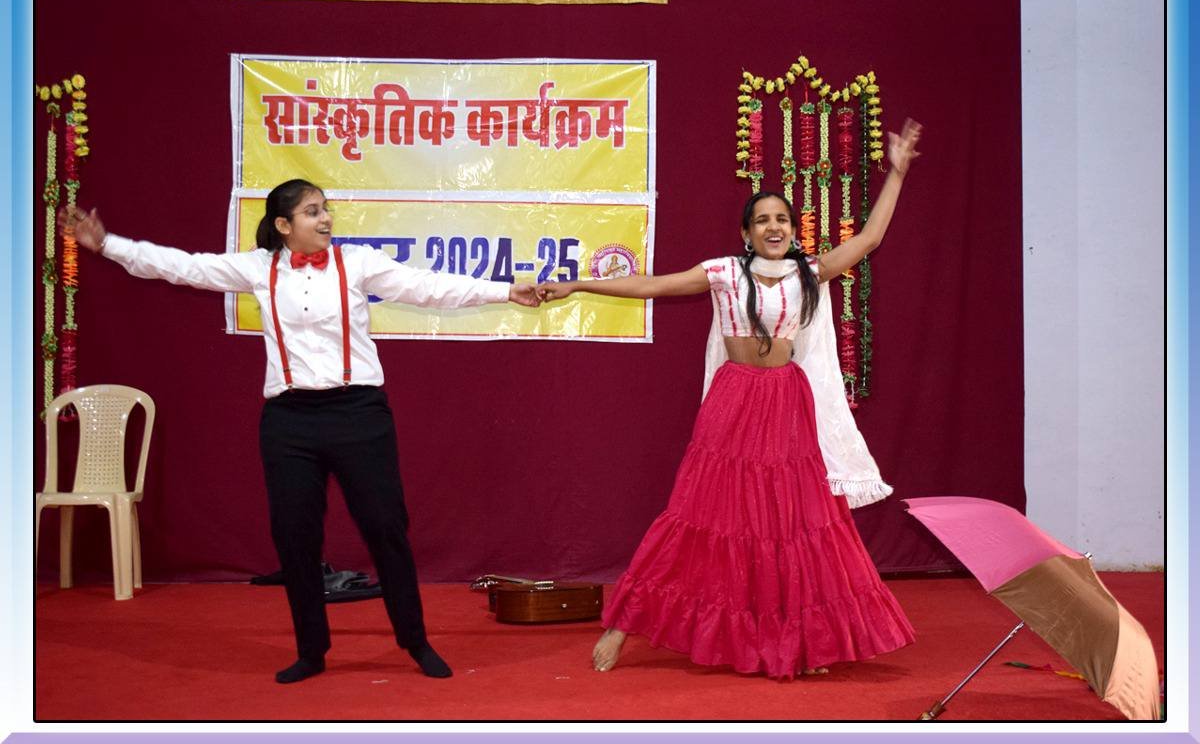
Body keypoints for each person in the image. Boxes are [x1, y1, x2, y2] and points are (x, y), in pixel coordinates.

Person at [59, 179, 540, 684]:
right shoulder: (257, 267)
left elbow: (429, 286)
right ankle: (312, 650)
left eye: (326, 209)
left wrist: (504, 290)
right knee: (295, 537)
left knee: (386, 529)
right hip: (290, 421)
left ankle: (415, 640)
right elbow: (183, 267)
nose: (326, 218)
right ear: (284, 225)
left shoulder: (358, 262)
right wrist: (106, 244)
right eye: (313, 211)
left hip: (359, 414)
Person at [536, 120, 923, 678]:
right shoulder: (722, 273)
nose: (773, 227)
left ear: (793, 230)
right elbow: (653, 284)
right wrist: (578, 284)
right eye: (762, 220)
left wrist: (897, 173)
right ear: (746, 232)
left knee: (791, 521)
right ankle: (623, 624)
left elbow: (868, 240)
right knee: (696, 512)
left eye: (781, 219)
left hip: (787, 401)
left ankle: (800, 639)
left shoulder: (809, 273)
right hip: (735, 399)